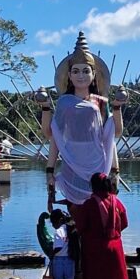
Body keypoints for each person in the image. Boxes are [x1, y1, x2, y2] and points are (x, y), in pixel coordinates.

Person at [40, 33, 125, 208]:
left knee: (99, 211)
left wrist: (115, 170)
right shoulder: (64, 102)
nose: (81, 76)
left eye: (86, 71)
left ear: (94, 74)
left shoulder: (100, 102)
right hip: (72, 162)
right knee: (76, 217)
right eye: (76, 71)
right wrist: (50, 169)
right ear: (69, 75)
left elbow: (111, 136)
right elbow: (53, 135)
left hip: (98, 163)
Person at [72, 172, 131, 279]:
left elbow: (81, 226)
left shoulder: (89, 204)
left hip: (94, 248)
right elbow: (124, 222)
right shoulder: (116, 202)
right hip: (114, 247)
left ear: (93, 186)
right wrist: (114, 233)